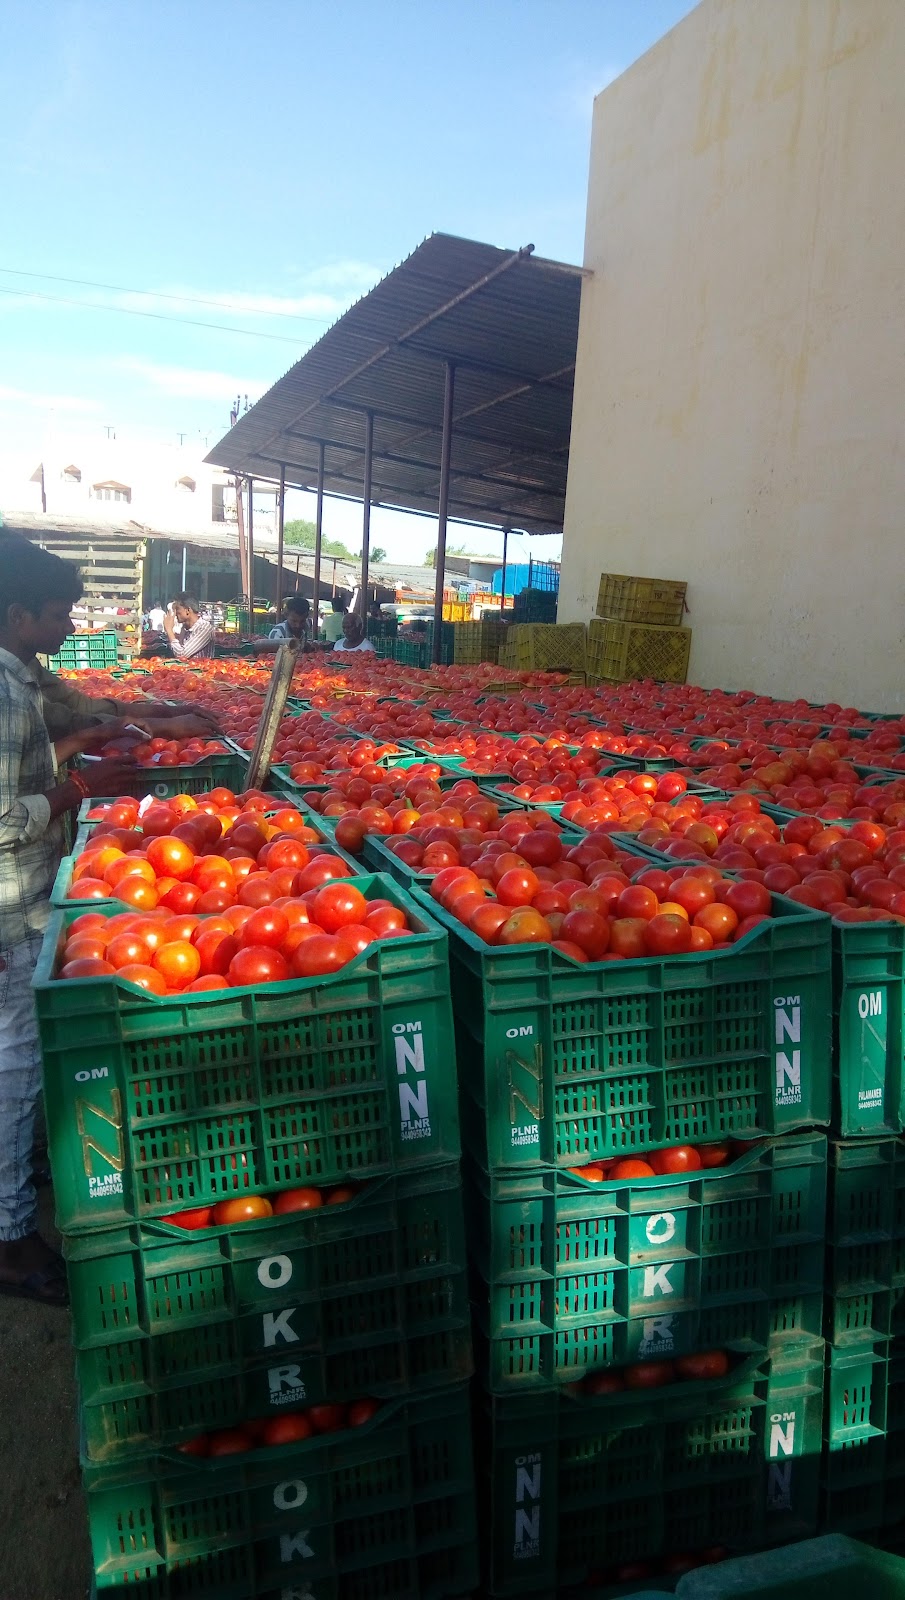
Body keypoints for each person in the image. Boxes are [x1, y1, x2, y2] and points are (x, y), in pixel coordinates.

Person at [0, 541, 133, 1304]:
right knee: (14, 1073)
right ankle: (12, 1240)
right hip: (8, 907)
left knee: (19, 1066)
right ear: (19, 616)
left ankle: (21, 1183)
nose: (69, 622)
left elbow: (65, 714)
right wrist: (75, 788)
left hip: (23, 896)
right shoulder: (3, 691)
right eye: (59, 613)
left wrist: (97, 739)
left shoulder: (22, 678)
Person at [164, 594, 216, 660]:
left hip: (201, 669)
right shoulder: (184, 628)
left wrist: (169, 630)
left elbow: (182, 655)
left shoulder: (204, 628)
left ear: (188, 610)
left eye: (177, 609)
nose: (175, 613)